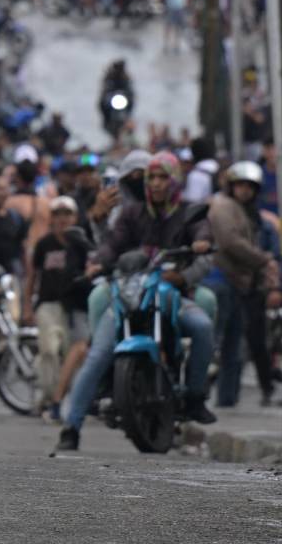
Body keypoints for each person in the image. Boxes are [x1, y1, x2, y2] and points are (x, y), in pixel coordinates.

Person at [58, 152, 217, 451]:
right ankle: (72, 426)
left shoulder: (187, 212)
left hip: (171, 294)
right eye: (151, 178)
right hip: (130, 292)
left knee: (202, 325)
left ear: (174, 180)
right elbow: (112, 245)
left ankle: (196, 396)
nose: (156, 184)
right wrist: (98, 262)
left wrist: (197, 249)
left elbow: (203, 233)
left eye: (162, 178)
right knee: (99, 351)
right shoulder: (132, 215)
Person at [205, 161, 282, 407]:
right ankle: (195, 396)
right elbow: (230, 242)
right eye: (240, 185)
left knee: (236, 347)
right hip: (221, 281)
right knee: (214, 344)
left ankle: (228, 400)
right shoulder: (224, 207)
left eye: (249, 186)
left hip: (242, 285)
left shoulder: (251, 213)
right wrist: (263, 260)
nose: (245, 190)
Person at [25, 196, 92, 421]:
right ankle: (49, 397)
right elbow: (33, 275)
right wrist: (27, 306)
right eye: (58, 214)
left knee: (69, 354)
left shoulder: (80, 243)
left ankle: (59, 399)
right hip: (47, 304)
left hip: (71, 306)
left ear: (74, 217)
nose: (62, 219)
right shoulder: (44, 244)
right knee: (49, 350)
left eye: (67, 214)